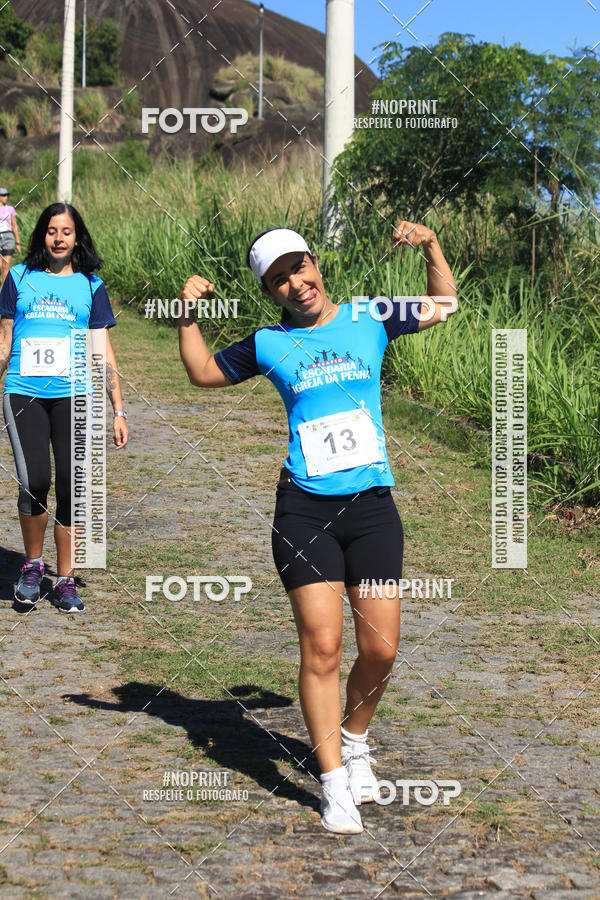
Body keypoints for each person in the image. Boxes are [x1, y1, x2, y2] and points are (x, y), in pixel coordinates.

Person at [176, 223, 457, 833]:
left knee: (381, 648)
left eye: (299, 268)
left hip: (373, 509)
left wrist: (432, 246)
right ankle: (333, 784)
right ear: (269, 291)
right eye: (279, 279)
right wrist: (188, 314)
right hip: (304, 510)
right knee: (323, 645)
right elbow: (200, 372)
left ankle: (354, 739)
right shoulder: (267, 344)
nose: (295, 284)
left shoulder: (370, 314)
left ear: (317, 263)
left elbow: (444, 304)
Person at [0, 203, 129, 612]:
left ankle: (67, 578)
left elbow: (103, 351)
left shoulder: (92, 286)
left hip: (75, 395)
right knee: (35, 479)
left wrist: (118, 409)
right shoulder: (18, 278)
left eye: (67, 231)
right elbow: (4, 339)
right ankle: (33, 566)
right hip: (23, 391)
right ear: (42, 235)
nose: (59, 238)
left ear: (77, 238)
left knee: (74, 486)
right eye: (52, 231)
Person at [0, 187, 21, 286]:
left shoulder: (10, 209)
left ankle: (4, 290)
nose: (6, 197)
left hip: (8, 237)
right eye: (4, 195)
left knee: (6, 266)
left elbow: (14, 225)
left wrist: (18, 242)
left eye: (7, 195)